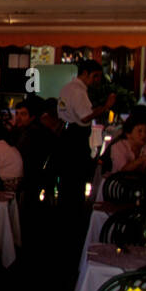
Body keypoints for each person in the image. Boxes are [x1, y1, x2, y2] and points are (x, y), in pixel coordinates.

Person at [56, 60, 116, 210]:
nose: (97, 80)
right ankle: (74, 211)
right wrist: (106, 107)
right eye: (95, 76)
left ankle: (65, 209)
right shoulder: (78, 91)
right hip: (75, 136)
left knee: (67, 179)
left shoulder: (67, 88)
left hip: (66, 133)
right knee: (76, 178)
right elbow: (85, 116)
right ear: (85, 74)